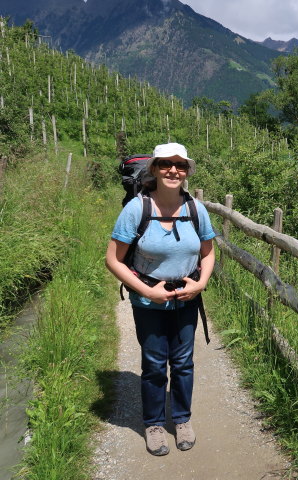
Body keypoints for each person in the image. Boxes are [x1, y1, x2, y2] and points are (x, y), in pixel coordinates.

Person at [105, 142, 216, 456]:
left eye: (180, 165)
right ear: (154, 169)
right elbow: (113, 260)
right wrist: (147, 291)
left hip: (187, 298)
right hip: (148, 301)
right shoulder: (137, 209)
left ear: (187, 172)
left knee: (183, 364)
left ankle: (182, 420)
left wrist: (202, 282)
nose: (173, 170)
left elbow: (208, 253)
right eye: (166, 164)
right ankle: (153, 424)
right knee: (154, 365)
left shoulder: (196, 209)